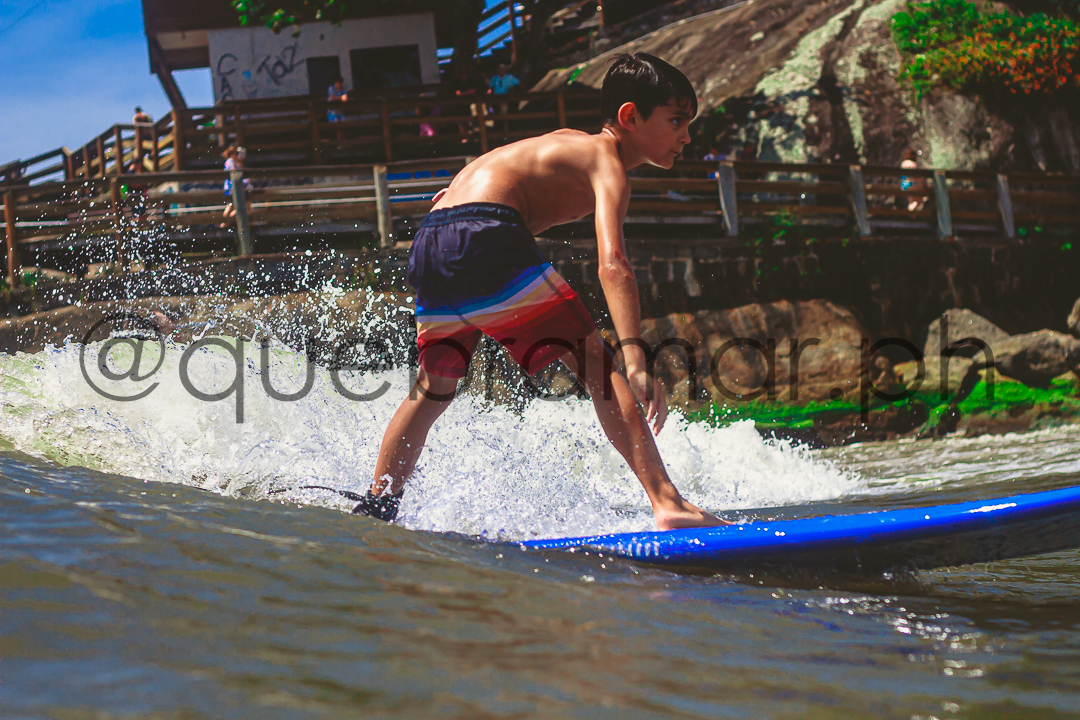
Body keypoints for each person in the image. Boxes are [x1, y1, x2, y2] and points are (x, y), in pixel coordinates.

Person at [356, 52, 726, 530]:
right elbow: (613, 264)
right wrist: (635, 356)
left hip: (431, 238)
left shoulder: (567, 142)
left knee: (434, 387)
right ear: (630, 116)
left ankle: (379, 505)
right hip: (482, 231)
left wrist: (456, 202)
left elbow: (496, 170)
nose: (687, 136)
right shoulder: (607, 163)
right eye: (676, 121)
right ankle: (668, 503)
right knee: (600, 369)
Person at [328, 77, 347, 141]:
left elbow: (345, 98)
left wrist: (341, 98)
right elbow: (332, 98)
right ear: (336, 83)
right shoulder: (331, 88)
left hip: (340, 109)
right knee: (336, 124)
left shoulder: (343, 89)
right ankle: (338, 139)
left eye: (341, 83)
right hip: (332, 110)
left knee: (342, 124)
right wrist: (340, 98)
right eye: (339, 83)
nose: (341, 85)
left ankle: (341, 139)